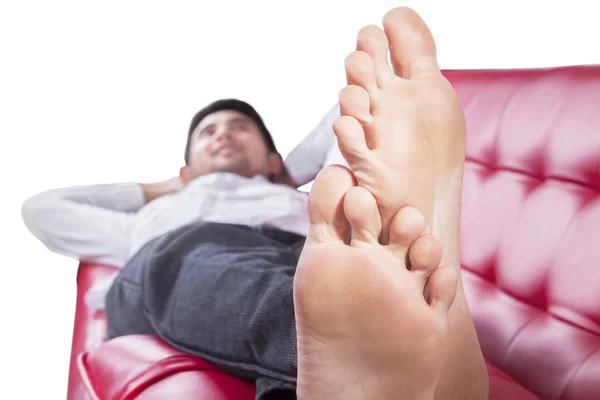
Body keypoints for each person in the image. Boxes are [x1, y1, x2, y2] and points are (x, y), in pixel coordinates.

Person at [22, 6, 488, 400]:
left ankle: (379, 357)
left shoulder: (297, 195)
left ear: (270, 157)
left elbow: (366, 102)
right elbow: (41, 210)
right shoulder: (154, 217)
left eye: (239, 127)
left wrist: (288, 172)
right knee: (260, 285)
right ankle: (391, 348)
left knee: (329, 283)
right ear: (184, 171)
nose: (223, 133)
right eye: (208, 133)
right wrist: (155, 191)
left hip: (306, 256)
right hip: (178, 259)